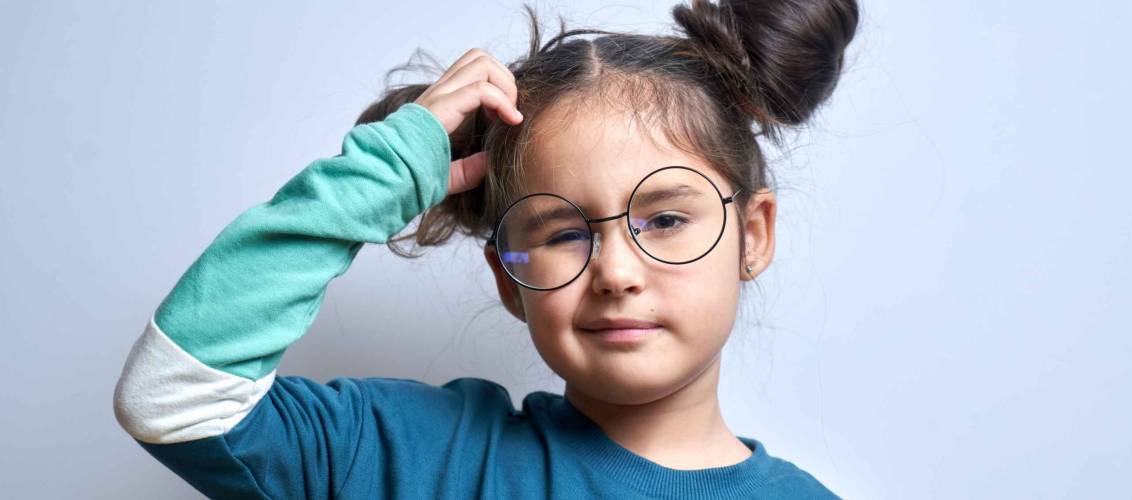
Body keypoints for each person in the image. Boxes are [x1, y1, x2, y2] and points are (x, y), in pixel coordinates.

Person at [112, 0, 859, 497]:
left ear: (751, 235)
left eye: (663, 221)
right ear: (509, 275)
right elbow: (174, 398)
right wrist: (383, 174)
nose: (618, 274)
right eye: (564, 232)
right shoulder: (413, 455)